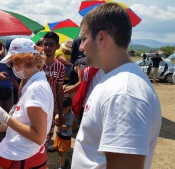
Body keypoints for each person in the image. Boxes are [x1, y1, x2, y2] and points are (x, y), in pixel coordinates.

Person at [71, 3, 162, 169]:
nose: (81, 47)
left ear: (101, 38)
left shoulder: (123, 93)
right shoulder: (115, 82)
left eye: (83, 39)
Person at [0, 38, 54, 168]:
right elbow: (23, 123)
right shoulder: (33, 84)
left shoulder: (35, 89)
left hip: (26, 157)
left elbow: (38, 136)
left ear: (21, 61)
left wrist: (6, 118)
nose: (11, 68)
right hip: (26, 155)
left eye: (11, 64)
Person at [42, 32, 65, 150]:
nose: (47, 48)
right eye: (45, 44)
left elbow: (60, 91)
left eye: (51, 45)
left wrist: (60, 113)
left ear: (57, 46)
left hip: (51, 106)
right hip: (36, 104)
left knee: (46, 135)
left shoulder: (60, 67)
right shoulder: (36, 63)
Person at [53, 97, 74, 169]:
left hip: (65, 137)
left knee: (62, 151)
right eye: (63, 110)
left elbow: (67, 127)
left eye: (66, 110)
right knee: (58, 148)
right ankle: (64, 161)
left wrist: (58, 125)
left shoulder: (70, 116)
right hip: (59, 134)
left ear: (70, 107)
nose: (64, 111)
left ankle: (62, 166)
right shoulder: (61, 112)